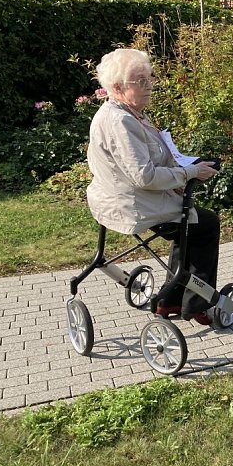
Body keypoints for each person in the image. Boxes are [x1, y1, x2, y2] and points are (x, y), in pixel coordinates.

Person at [87, 48, 221, 325]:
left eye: (149, 78)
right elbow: (144, 176)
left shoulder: (127, 112)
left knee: (189, 225)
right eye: (140, 81)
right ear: (117, 87)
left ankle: (170, 299)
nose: (149, 86)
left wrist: (179, 175)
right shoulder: (121, 121)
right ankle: (196, 302)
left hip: (122, 198)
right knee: (205, 224)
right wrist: (190, 173)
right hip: (135, 205)